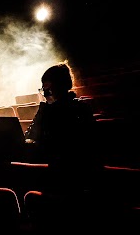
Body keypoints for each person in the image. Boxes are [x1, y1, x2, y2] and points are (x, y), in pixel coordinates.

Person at [24, 60, 105, 232]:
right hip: (57, 173)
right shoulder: (48, 110)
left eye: (48, 90)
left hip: (75, 177)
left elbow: (70, 147)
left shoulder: (79, 109)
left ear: (61, 87)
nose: (45, 94)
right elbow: (31, 136)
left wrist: (44, 117)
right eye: (43, 90)